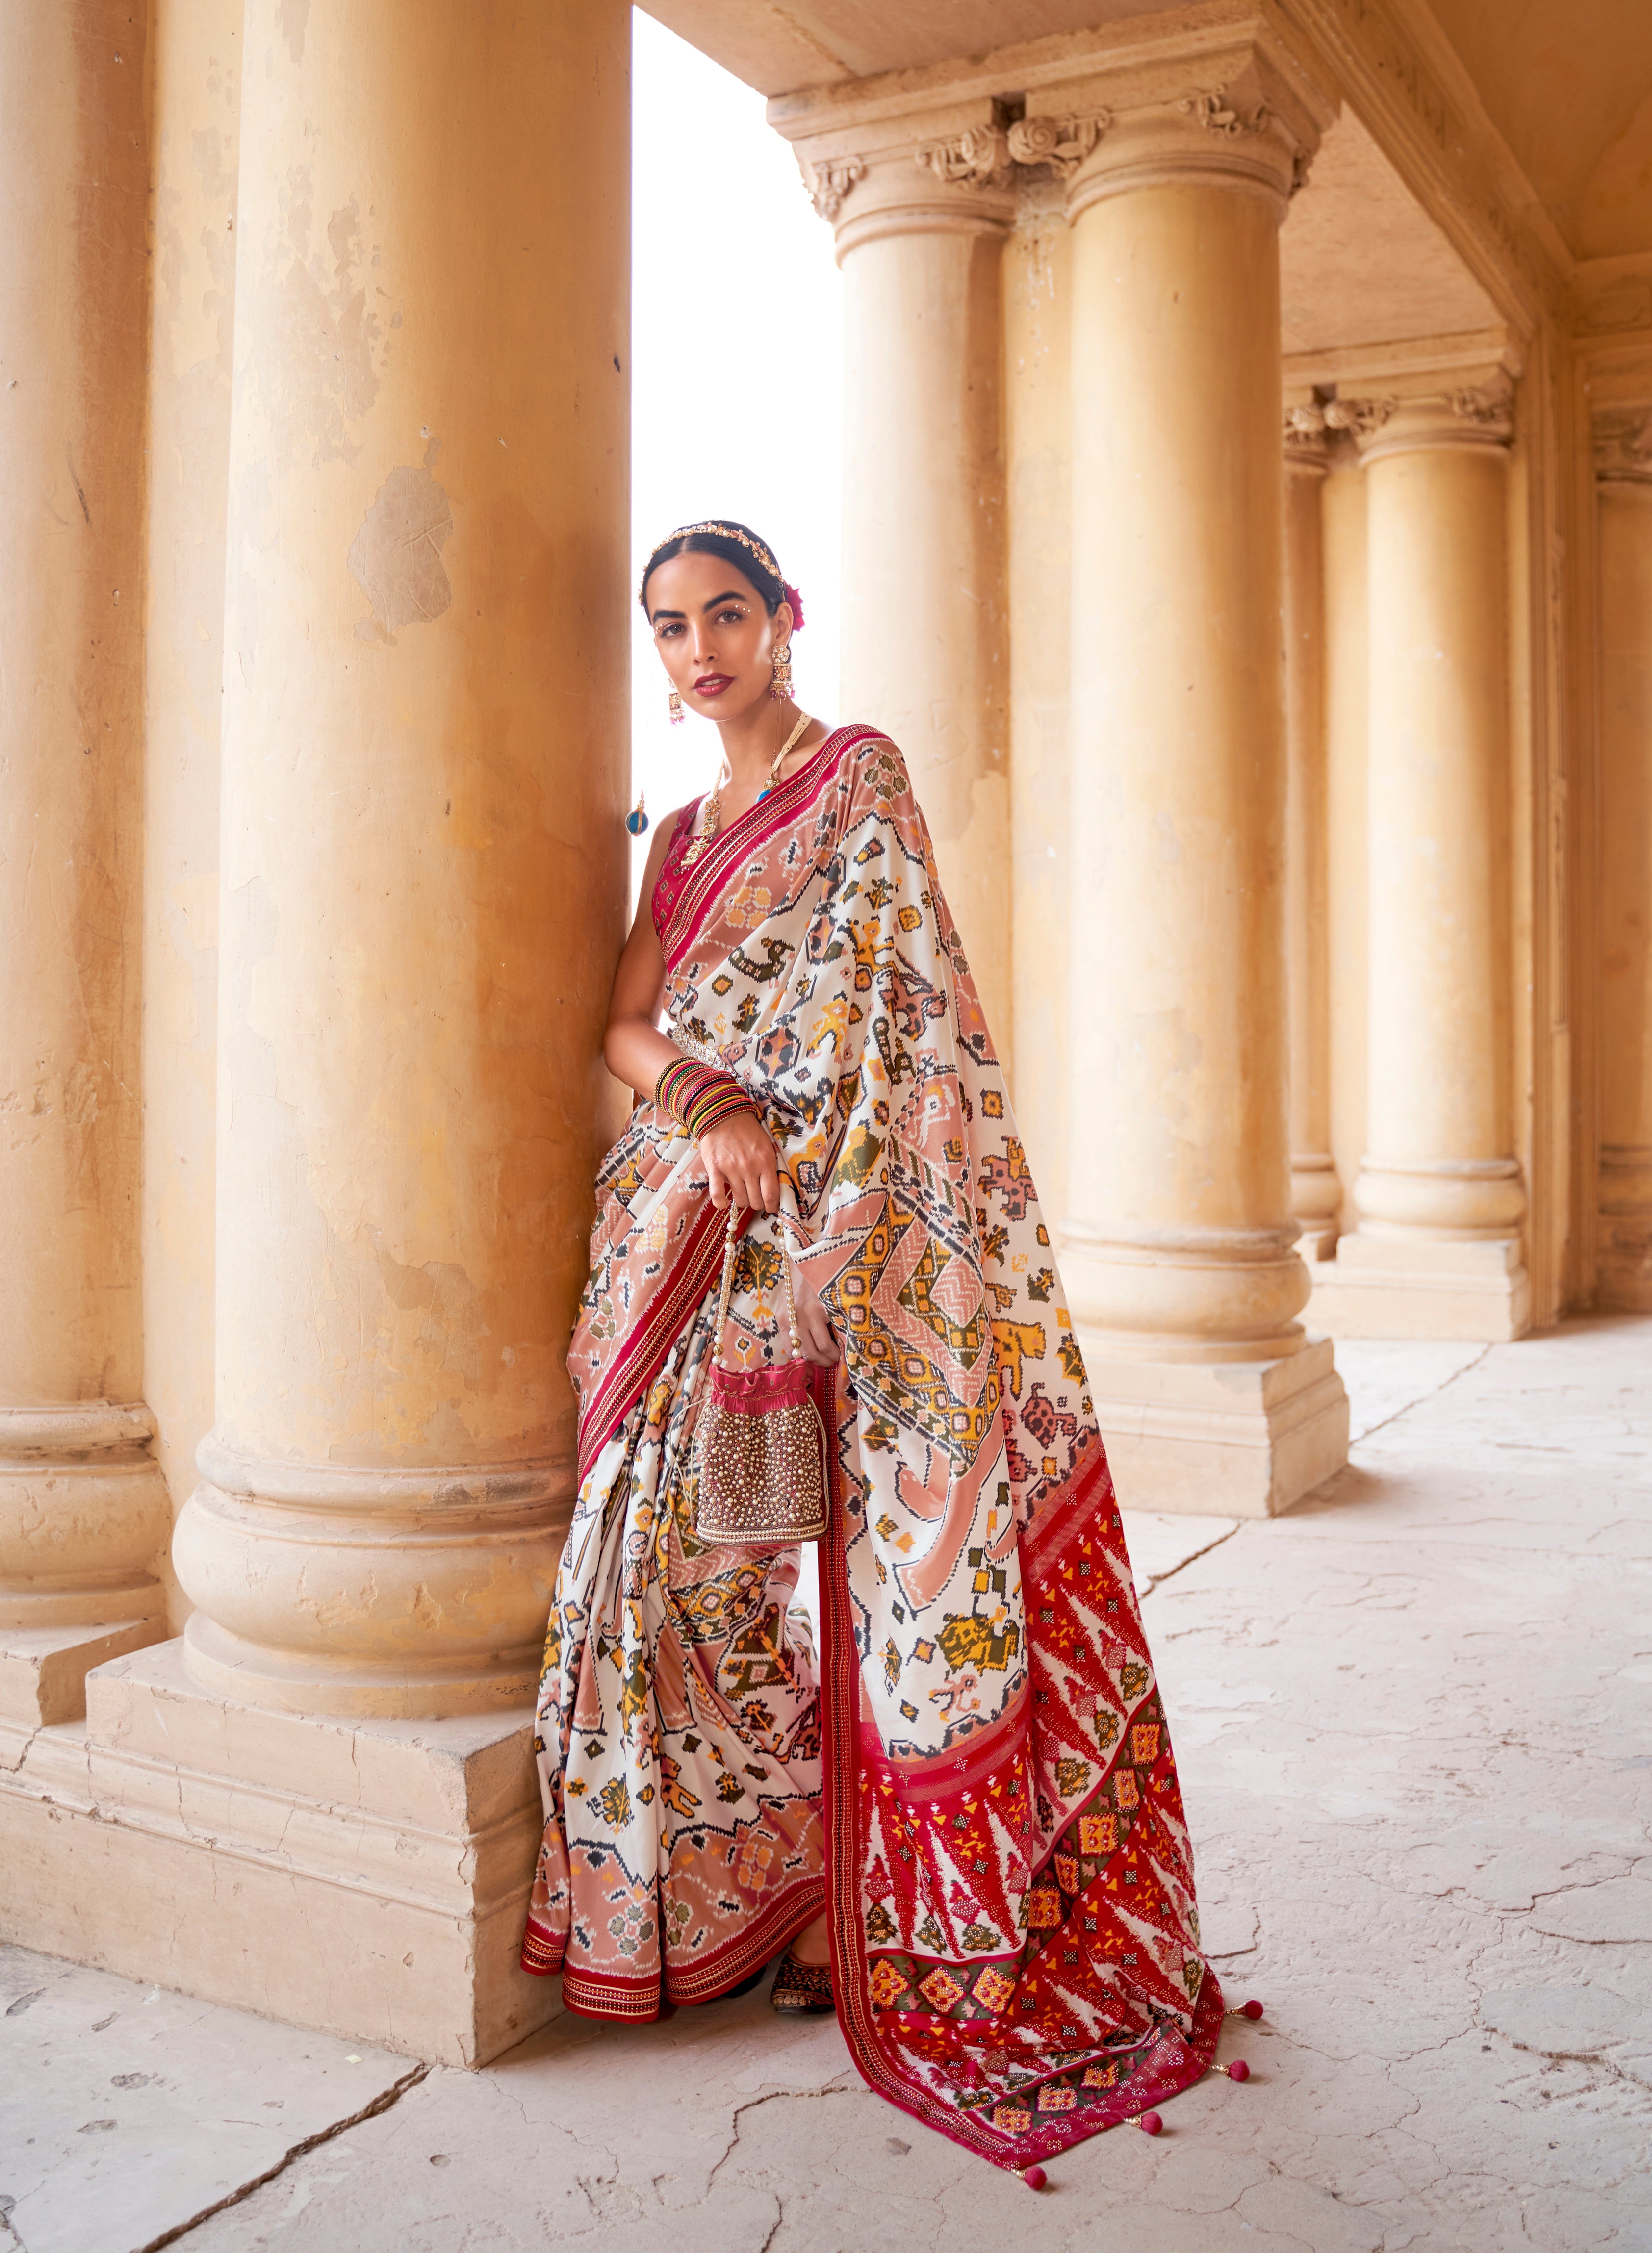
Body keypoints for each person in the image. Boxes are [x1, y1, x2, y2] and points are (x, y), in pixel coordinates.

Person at [521, 521, 1224, 2177]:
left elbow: (898, 1008)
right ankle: (737, 1880)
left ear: (783, 622)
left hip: (851, 1232)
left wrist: (819, 1207)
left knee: (874, 1556)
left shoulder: (853, 779)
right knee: (675, 1555)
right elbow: (627, 1021)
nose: (698, 651)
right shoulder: (683, 832)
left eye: (726, 617)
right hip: (681, 1232)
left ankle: (875, 1909)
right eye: (670, 627)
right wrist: (704, 1109)